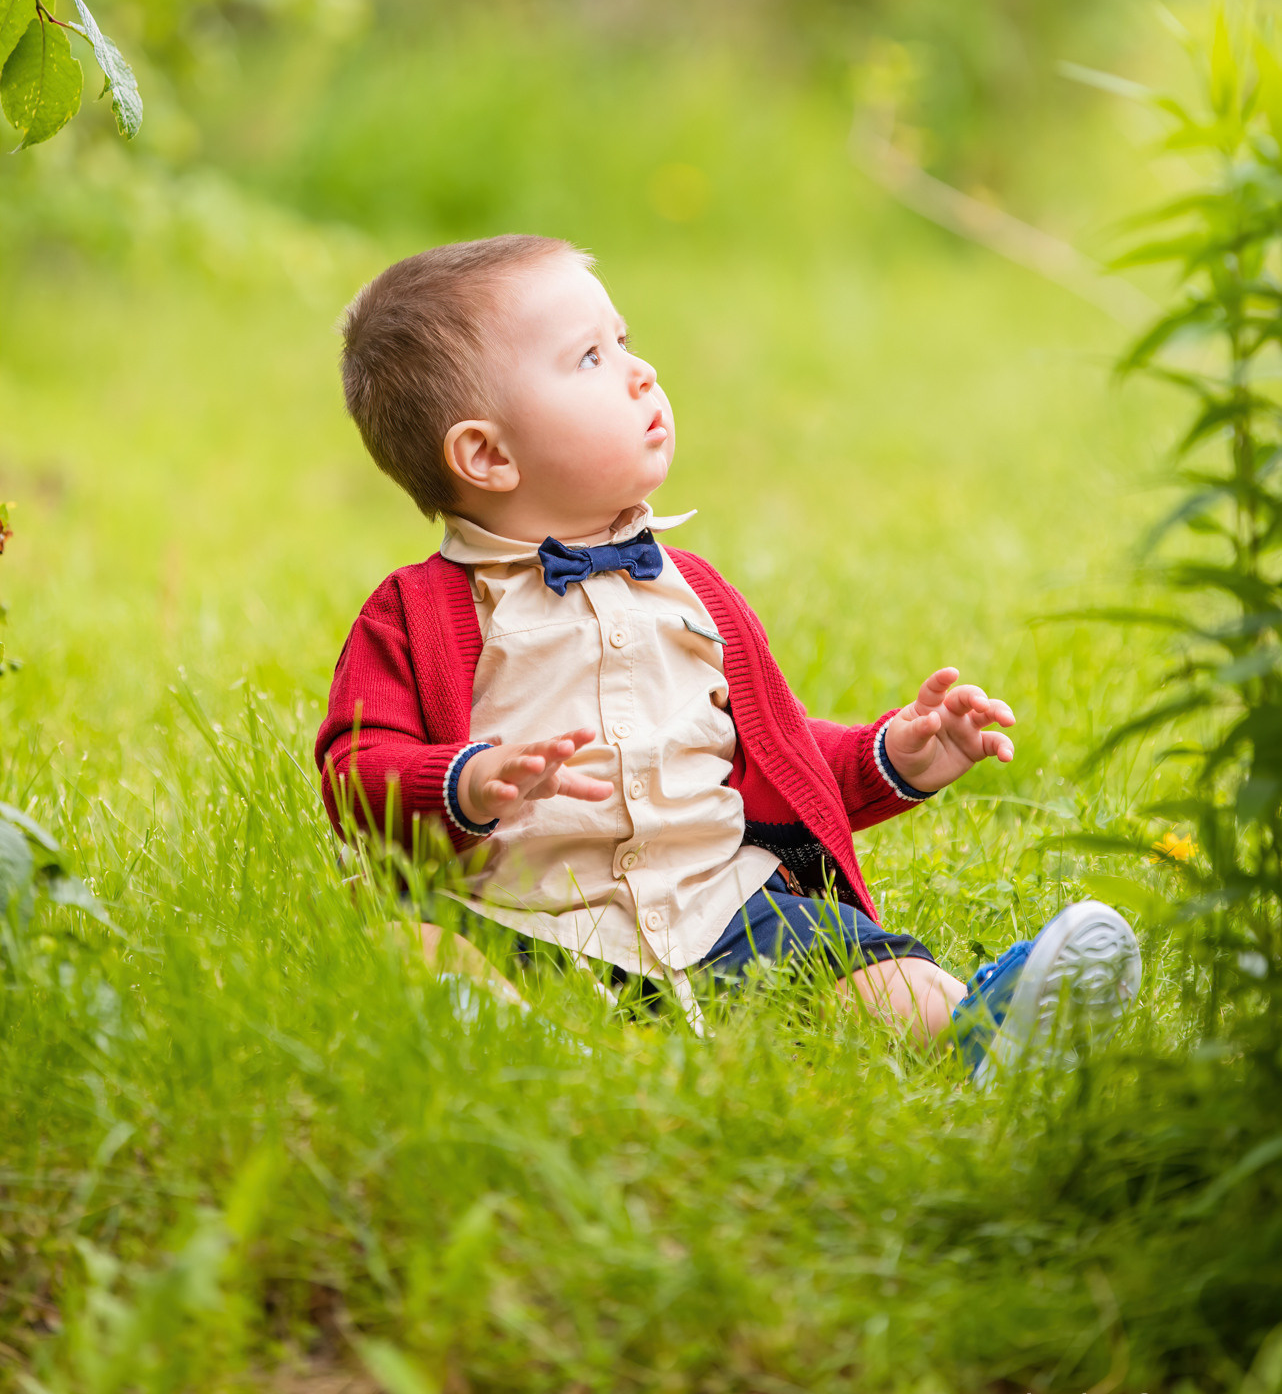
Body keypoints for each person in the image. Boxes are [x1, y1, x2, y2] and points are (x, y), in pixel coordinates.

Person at [316, 235, 1141, 1074]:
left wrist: (895, 755)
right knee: (410, 945)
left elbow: (770, 757)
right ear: (486, 455)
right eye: (591, 358)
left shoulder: (693, 592)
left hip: (720, 907)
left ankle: (981, 1031)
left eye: (626, 343)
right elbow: (355, 767)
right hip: (529, 917)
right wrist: (463, 780)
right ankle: (537, 1048)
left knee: (869, 965)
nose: (641, 375)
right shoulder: (413, 615)